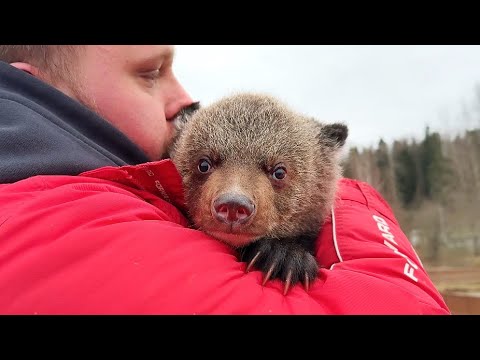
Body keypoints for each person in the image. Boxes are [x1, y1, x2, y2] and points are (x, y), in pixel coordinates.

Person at [0, 45, 450, 315]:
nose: (233, 196)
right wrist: (356, 206)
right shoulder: (74, 223)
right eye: (149, 73)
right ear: (35, 88)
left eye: (276, 174)